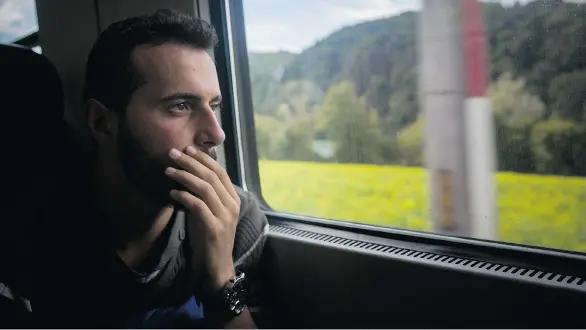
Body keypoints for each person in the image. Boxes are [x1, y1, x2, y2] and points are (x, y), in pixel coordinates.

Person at [28, 8, 269, 328]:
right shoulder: (28, 224)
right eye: (180, 106)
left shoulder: (237, 222)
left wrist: (221, 279)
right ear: (102, 122)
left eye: (213, 106)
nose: (216, 134)